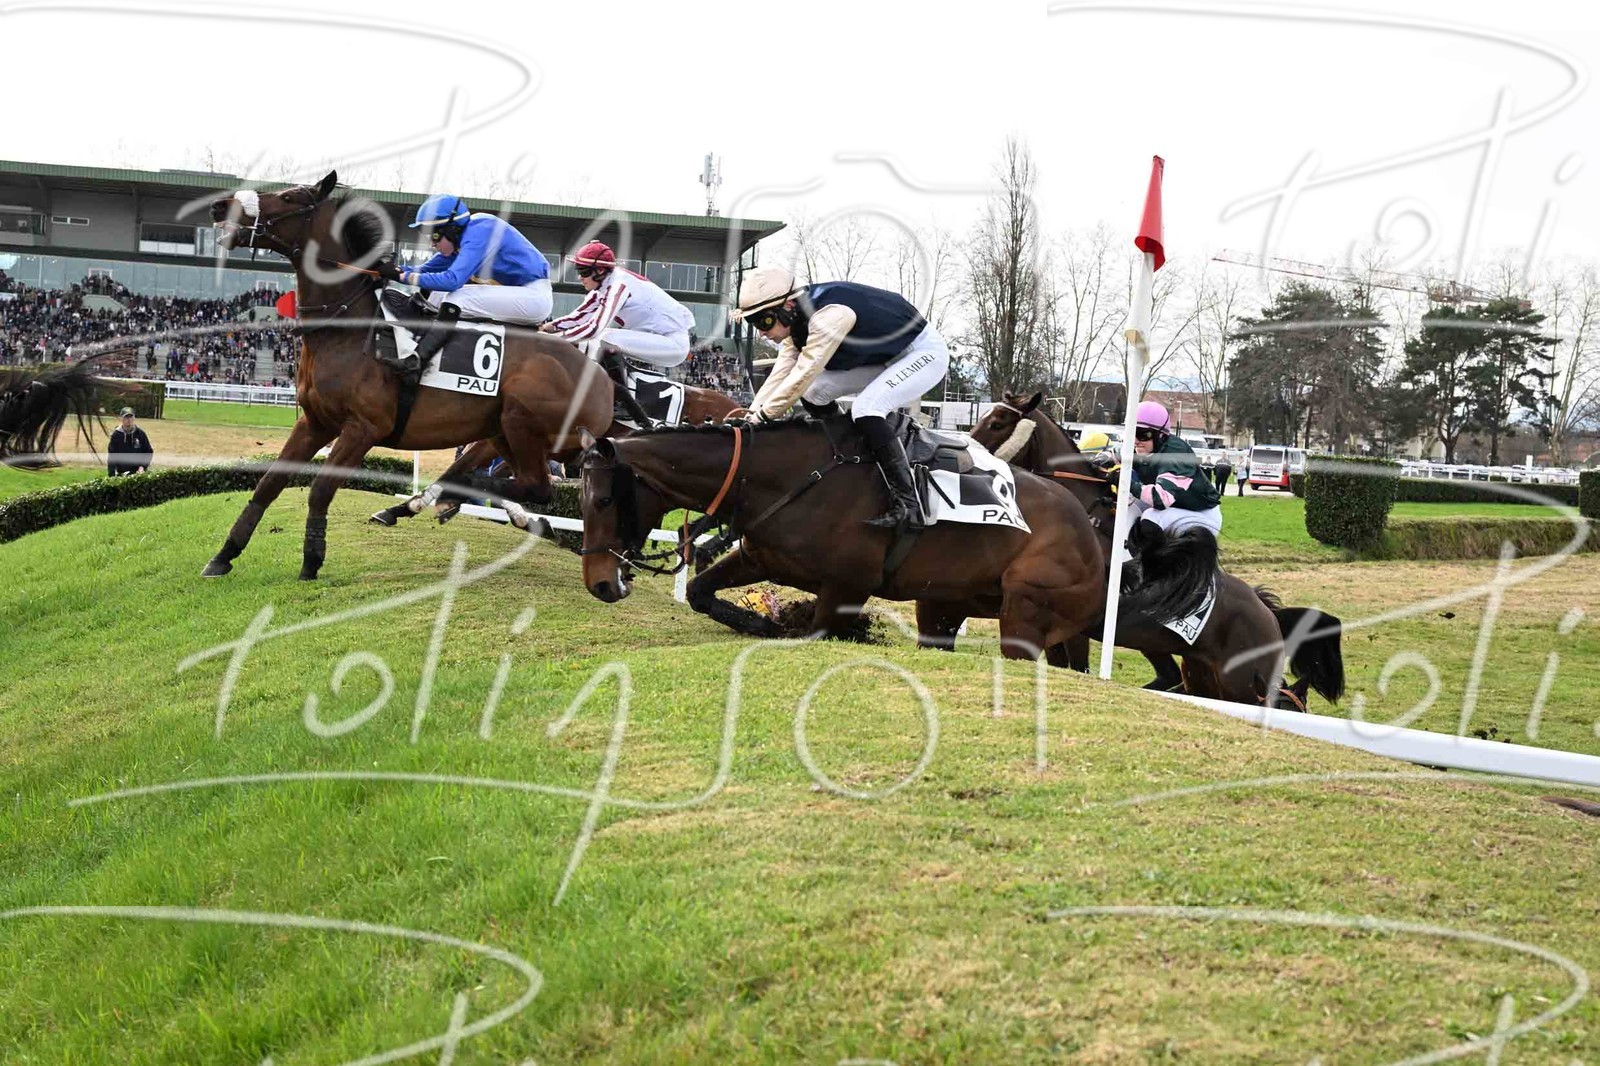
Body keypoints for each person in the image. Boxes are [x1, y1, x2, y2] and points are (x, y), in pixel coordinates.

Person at [730, 265, 949, 532]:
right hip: (886, 357)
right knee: (814, 393)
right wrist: (752, 414)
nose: (761, 332)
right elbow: (781, 373)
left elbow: (803, 373)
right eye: (754, 324)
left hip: (922, 353)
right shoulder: (796, 322)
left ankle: (910, 506)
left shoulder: (829, 316)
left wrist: (764, 416)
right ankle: (847, 459)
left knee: (866, 408)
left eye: (763, 322)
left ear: (788, 306)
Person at [373, 195, 554, 377]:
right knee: (436, 295)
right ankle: (415, 342)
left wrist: (402, 276)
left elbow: (452, 281)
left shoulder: (481, 231)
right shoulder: (461, 239)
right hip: (518, 293)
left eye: (434, 236)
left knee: (457, 297)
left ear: (451, 230)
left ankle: (416, 363)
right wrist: (387, 269)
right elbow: (423, 271)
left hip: (534, 297)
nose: (432, 243)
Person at [540, 241, 696, 422]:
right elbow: (577, 317)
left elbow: (593, 328)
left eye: (584, 272)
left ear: (600, 271)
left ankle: (623, 402)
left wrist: (555, 340)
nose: (580, 278)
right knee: (602, 338)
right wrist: (546, 328)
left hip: (672, 344)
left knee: (606, 336)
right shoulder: (602, 286)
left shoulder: (618, 286)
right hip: (657, 338)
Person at [1128, 400, 1222, 538]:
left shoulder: (1175, 454)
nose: (1136, 441)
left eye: (1143, 434)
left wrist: (1125, 482)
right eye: (1132, 433)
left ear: (1160, 435)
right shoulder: (1143, 446)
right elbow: (1114, 457)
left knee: (1151, 518)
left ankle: (1147, 553)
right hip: (1174, 507)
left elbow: (1160, 499)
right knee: (1126, 507)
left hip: (1201, 514)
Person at [107, 407, 152, 476]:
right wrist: (112, 473)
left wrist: (143, 466)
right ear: (121, 419)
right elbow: (112, 456)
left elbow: (148, 451)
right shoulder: (116, 435)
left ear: (134, 418)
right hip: (121, 473)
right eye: (126, 417)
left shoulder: (140, 434)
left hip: (138, 473)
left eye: (131, 417)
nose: (129, 420)